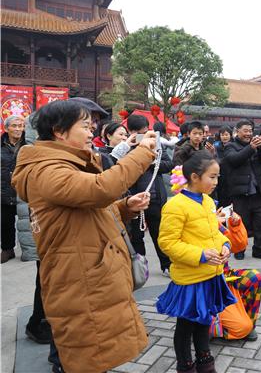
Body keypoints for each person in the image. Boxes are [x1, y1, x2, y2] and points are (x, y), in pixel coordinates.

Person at [12, 99, 157, 372]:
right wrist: (142, 153)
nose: (92, 133)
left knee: (93, 354)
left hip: (88, 275)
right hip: (78, 279)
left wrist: (125, 206)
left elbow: (89, 210)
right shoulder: (47, 169)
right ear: (59, 131)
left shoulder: (67, 163)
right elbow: (100, 190)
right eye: (86, 126)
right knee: (83, 356)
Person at [156, 151, 236, 373]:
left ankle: (205, 362)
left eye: (217, 177)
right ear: (194, 177)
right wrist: (200, 255)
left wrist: (225, 245)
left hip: (210, 274)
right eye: (212, 177)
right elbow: (168, 243)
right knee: (185, 327)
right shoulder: (176, 205)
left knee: (204, 321)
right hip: (190, 278)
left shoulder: (208, 201)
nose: (216, 182)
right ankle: (185, 365)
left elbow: (215, 232)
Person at [127, 114, 174, 276]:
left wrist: (153, 162)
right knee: (136, 236)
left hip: (155, 198)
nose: (143, 136)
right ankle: (141, 268)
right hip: (134, 199)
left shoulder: (156, 143)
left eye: (145, 131)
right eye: (139, 133)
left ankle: (166, 265)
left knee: (159, 233)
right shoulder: (126, 147)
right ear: (131, 132)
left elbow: (169, 164)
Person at [223, 120, 261, 261]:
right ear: (237, 131)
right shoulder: (230, 146)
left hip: (257, 191)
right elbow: (234, 160)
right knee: (240, 224)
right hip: (240, 193)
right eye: (245, 131)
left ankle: (259, 250)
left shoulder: (255, 144)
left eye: (250, 131)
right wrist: (251, 148)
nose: (248, 134)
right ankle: (240, 249)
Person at [211, 211, 261, 342]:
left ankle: (247, 322)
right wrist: (211, 223)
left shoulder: (209, 210)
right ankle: (204, 327)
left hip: (223, 279)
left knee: (254, 277)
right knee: (242, 328)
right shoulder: (184, 212)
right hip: (204, 285)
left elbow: (239, 245)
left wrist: (235, 225)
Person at [1, 115, 26, 263]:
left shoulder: (28, 145)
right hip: (4, 190)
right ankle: (7, 249)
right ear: (6, 128)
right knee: (5, 222)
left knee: (29, 223)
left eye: (21, 126)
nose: (18, 129)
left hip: (24, 191)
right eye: (15, 126)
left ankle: (30, 251)